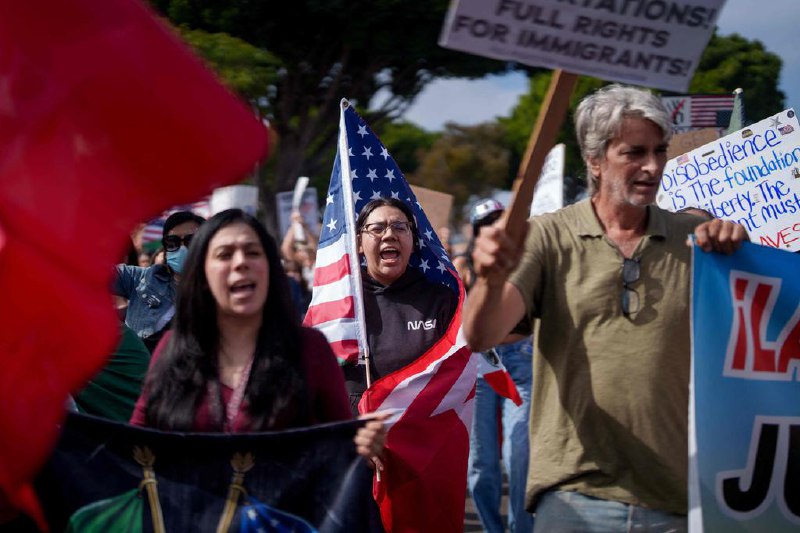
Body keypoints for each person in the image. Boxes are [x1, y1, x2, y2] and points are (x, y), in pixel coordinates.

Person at [463, 85, 748, 532]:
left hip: (677, 499)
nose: (653, 166)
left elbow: (754, 335)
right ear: (595, 160)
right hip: (573, 496)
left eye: (659, 150)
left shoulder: (699, 238)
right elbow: (482, 336)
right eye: (634, 152)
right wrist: (488, 275)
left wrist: (740, 255)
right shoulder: (544, 237)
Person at [130, 209, 383, 463]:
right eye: (224, 255)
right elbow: (135, 450)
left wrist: (358, 443)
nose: (240, 262)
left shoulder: (310, 349)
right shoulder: (172, 350)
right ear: (203, 274)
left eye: (252, 252)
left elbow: (339, 447)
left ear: (270, 270)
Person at [455, 198, 533, 533]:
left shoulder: (529, 261)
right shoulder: (463, 268)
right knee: (481, 463)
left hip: (523, 362)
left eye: (501, 220)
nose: (496, 227)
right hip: (481, 366)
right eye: (487, 222)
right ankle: (491, 528)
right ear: (476, 233)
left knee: (519, 456)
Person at [342, 198, 458, 414]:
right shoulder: (341, 302)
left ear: (413, 241)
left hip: (422, 430)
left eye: (399, 227)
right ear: (359, 243)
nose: (388, 235)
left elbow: (459, 376)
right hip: (358, 436)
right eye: (376, 228)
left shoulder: (441, 300)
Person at [113, 211, 204, 352]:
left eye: (191, 241)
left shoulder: (219, 292)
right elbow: (90, 270)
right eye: (172, 242)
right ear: (165, 246)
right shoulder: (139, 279)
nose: (182, 249)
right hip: (144, 371)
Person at [281, 209, 318, 289]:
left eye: (307, 249)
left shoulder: (318, 261)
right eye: (300, 250)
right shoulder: (297, 265)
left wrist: (303, 226)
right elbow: (285, 248)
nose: (305, 252)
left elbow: (315, 245)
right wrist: (294, 225)